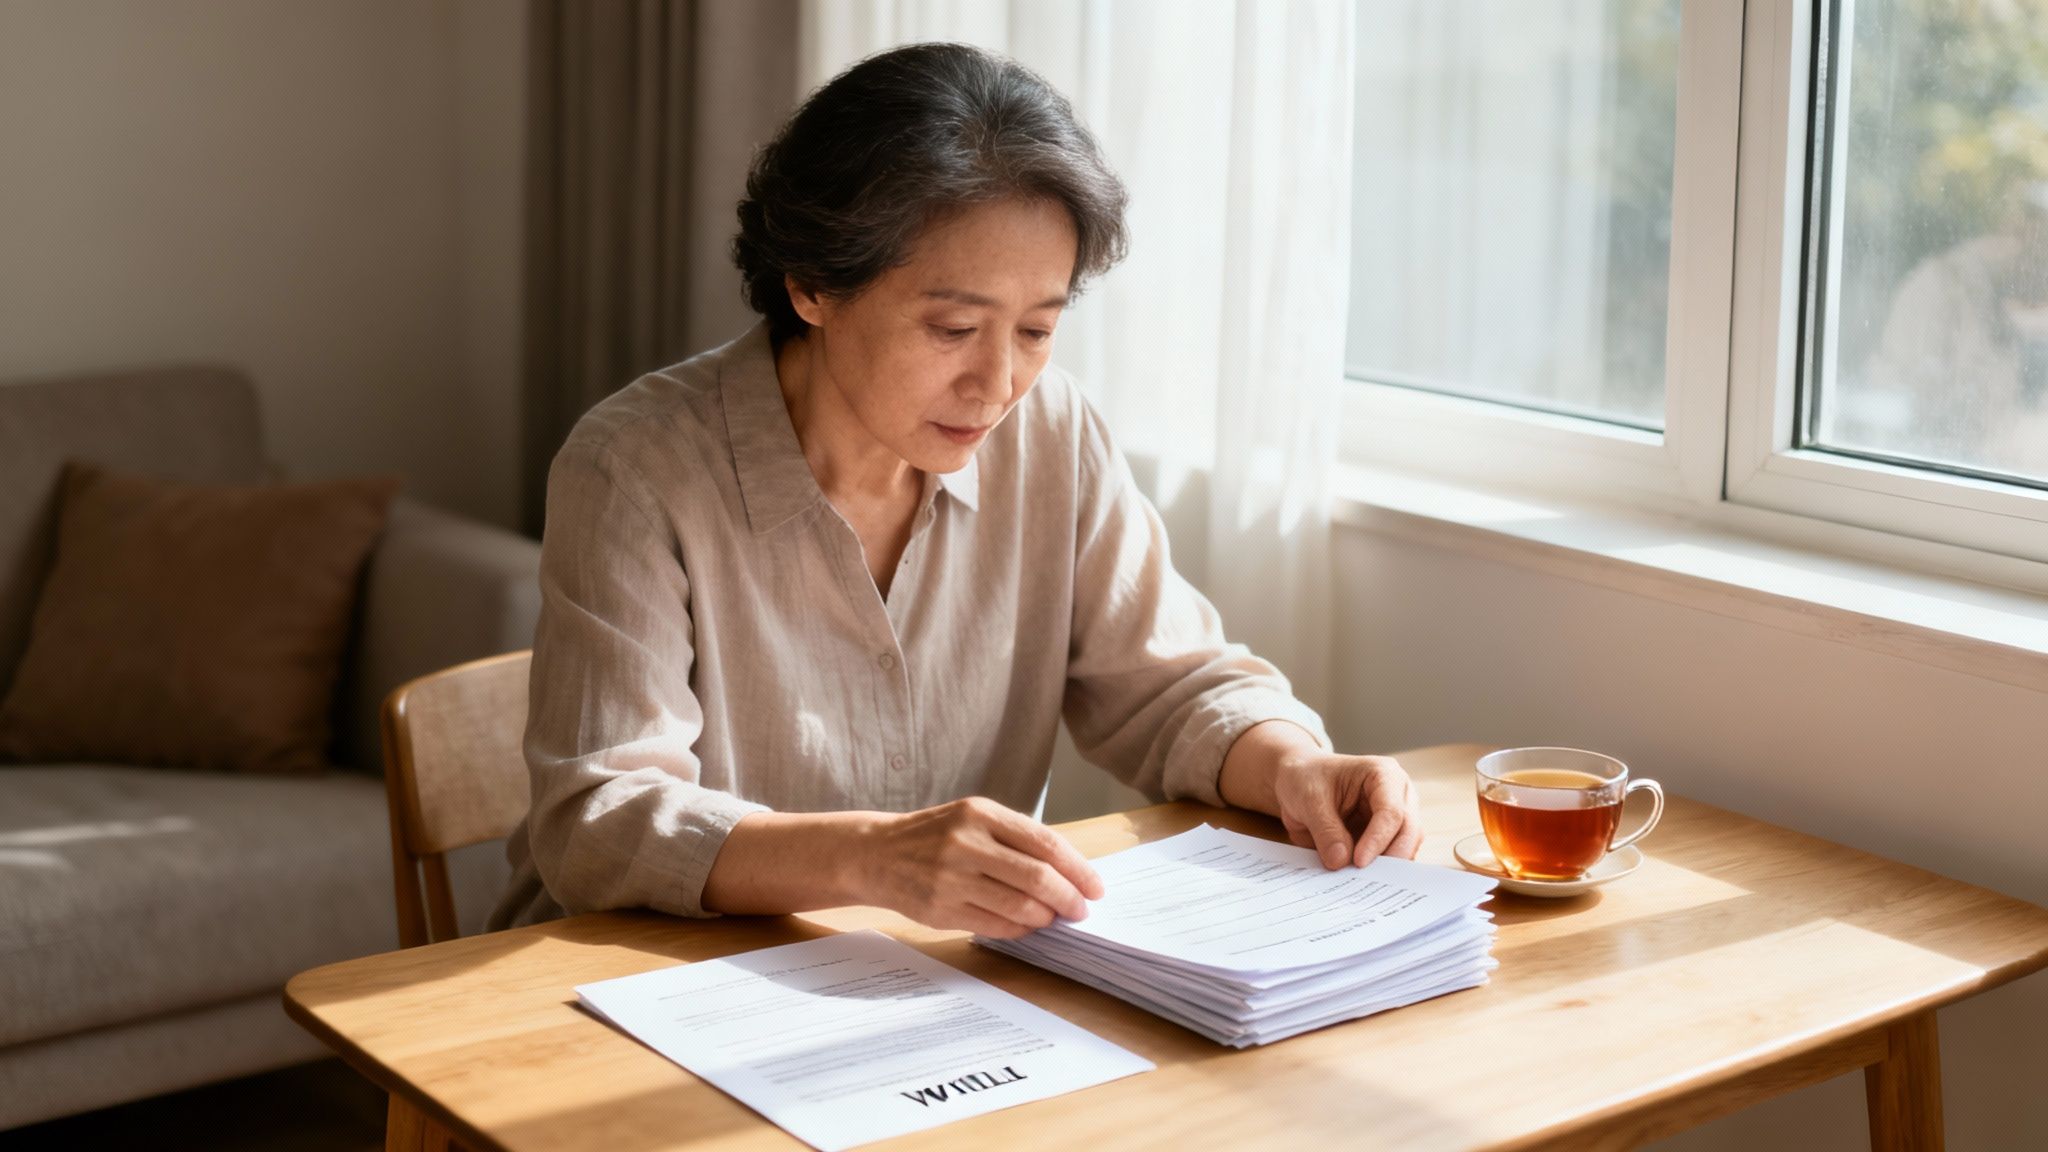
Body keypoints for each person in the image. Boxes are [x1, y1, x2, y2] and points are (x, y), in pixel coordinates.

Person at [488, 43, 1424, 939]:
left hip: (934, 994)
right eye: (951, 329)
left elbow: (1169, 687)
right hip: (630, 988)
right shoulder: (635, 467)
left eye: (1036, 330)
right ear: (813, 283)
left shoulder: (1053, 432)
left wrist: (1297, 764)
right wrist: (871, 858)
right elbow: (601, 819)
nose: (998, 385)